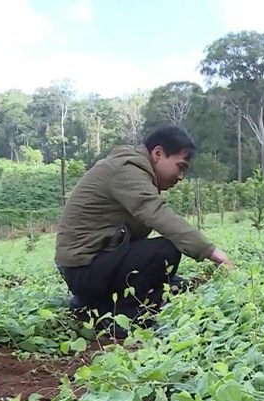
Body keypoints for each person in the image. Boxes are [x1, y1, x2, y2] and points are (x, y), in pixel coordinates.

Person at [54, 125, 234, 334]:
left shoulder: (134, 169)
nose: (181, 176)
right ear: (157, 154)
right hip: (83, 269)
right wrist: (213, 253)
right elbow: (157, 214)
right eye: (180, 166)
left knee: (176, 285)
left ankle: (93, 305)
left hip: (93, 263)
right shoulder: (127, 170)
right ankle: (121, 320)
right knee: (165, 251)